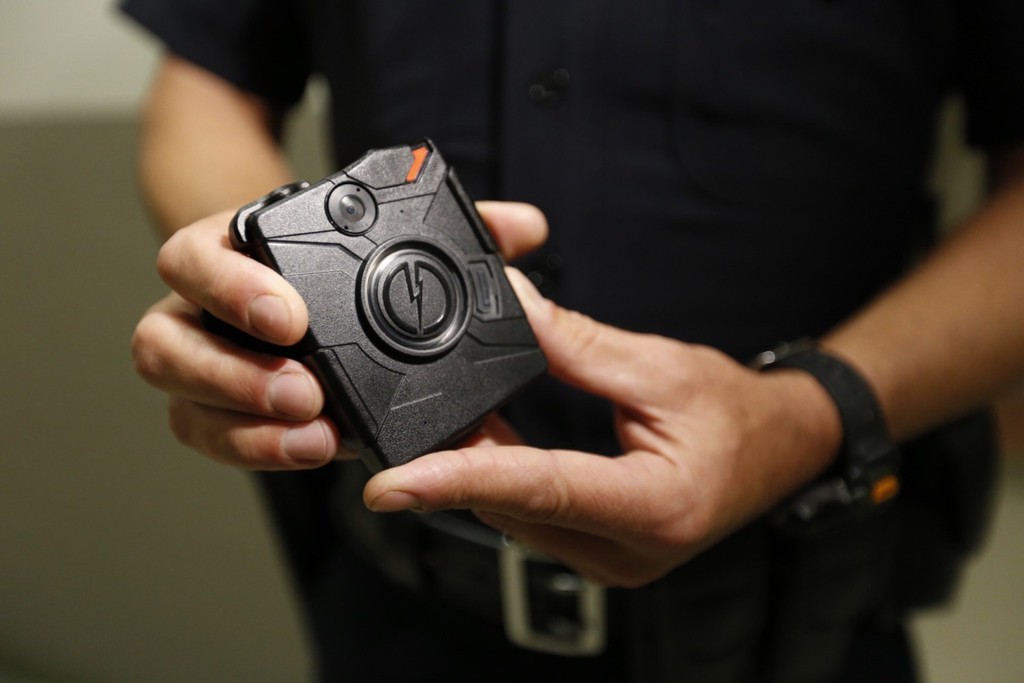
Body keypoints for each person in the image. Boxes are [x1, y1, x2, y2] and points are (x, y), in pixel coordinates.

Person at [122, 1, 1024, 681]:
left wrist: (809, 411)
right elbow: (208, 82)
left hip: (797, 625)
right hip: (400, 612)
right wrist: (265, 283)